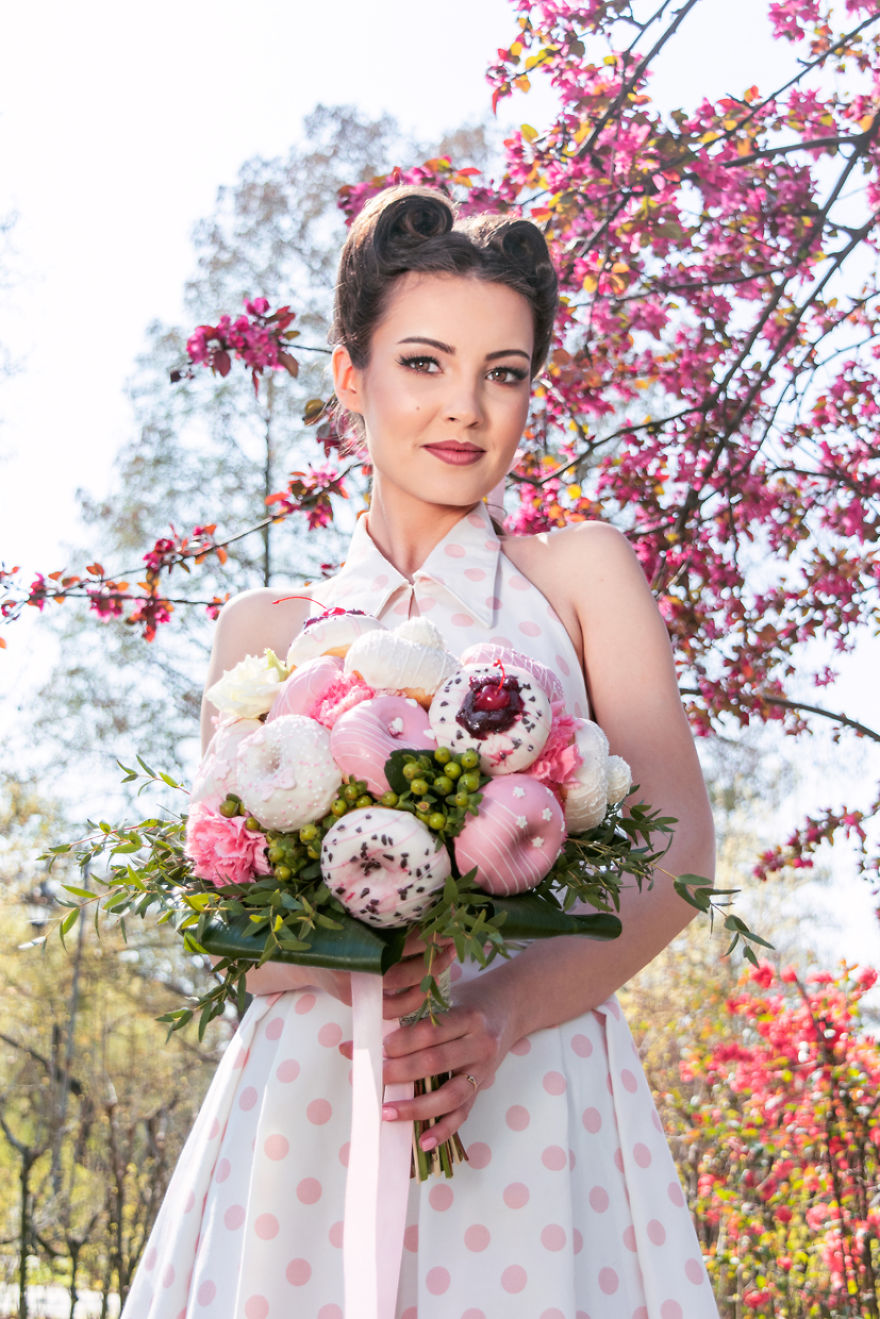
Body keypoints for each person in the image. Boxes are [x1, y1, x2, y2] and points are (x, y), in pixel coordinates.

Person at [122, 186, 720, 1319]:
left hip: (534, 1089)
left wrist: (500, 1009)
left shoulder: (580, 574)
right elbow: (230, 925)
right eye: (425, 362)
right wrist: (350, 949)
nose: (467, 408)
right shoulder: (260, 630)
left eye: (504, 371)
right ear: (351, 377)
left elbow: (681, 849)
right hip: (307, 1107)